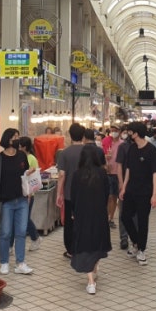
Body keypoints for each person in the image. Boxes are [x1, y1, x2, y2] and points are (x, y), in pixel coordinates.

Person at [0, 129, 34, 276]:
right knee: (5, 233)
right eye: (14, 137)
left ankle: (20, 263)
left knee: (21, 232)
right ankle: (4, 262)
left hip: (22, 200)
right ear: (7, 140)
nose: (17, 139)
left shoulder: (22, 156)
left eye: (18, 137)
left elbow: (24, 176)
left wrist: (29, 182)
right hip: (5, 202)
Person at [70, 145, 112, 295]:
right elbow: (107, 194)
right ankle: (94, 269)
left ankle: (91, 281)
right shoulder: (102, 173)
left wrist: (74, 211)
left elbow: (73, 196)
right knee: (97, 242)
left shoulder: (77, 175)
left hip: (82, 214)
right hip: (99, 213)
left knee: (84, 244)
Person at [119, 121, 156, 265]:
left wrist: (155, 194)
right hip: (131, 189)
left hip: (145, 192)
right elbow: (128, 169)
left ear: (136, 133)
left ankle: (141, 250)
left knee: (143, 221)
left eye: (130, 132)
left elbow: (155, 173)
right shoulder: (131, 149)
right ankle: (136, 242)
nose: (128, 134)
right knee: (125, 217)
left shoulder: (151, 150)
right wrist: (124, 187)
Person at [56, 123, 86, 259]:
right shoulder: (89, 151)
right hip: (87, 193)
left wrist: (59, 194)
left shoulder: (65, 153)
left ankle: (71, 250)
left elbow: (62, 175)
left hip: (69, 194)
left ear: (70, 135)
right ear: (83, 136)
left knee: (69, 222)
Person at [17, 136, 42, 251]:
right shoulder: (19, 157)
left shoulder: (31, 158)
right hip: (19, 192)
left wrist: (30, 194)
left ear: (24, 147)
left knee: (25, 218)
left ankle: (35, 237)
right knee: (22, 218)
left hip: (28, 194)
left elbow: (34, 178)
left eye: (19, 146)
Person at [102, 124, 122, 229]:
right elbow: (101, 155)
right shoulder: (106, 141)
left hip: (117, 173)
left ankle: (111, 218)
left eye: (115, 130)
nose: (113, 132)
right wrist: (105, 159)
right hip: (107, 172)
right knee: (108, 196)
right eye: (112, 130)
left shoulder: (122, 144)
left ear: (119, 132)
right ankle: (105, 217)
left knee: (114, 197)